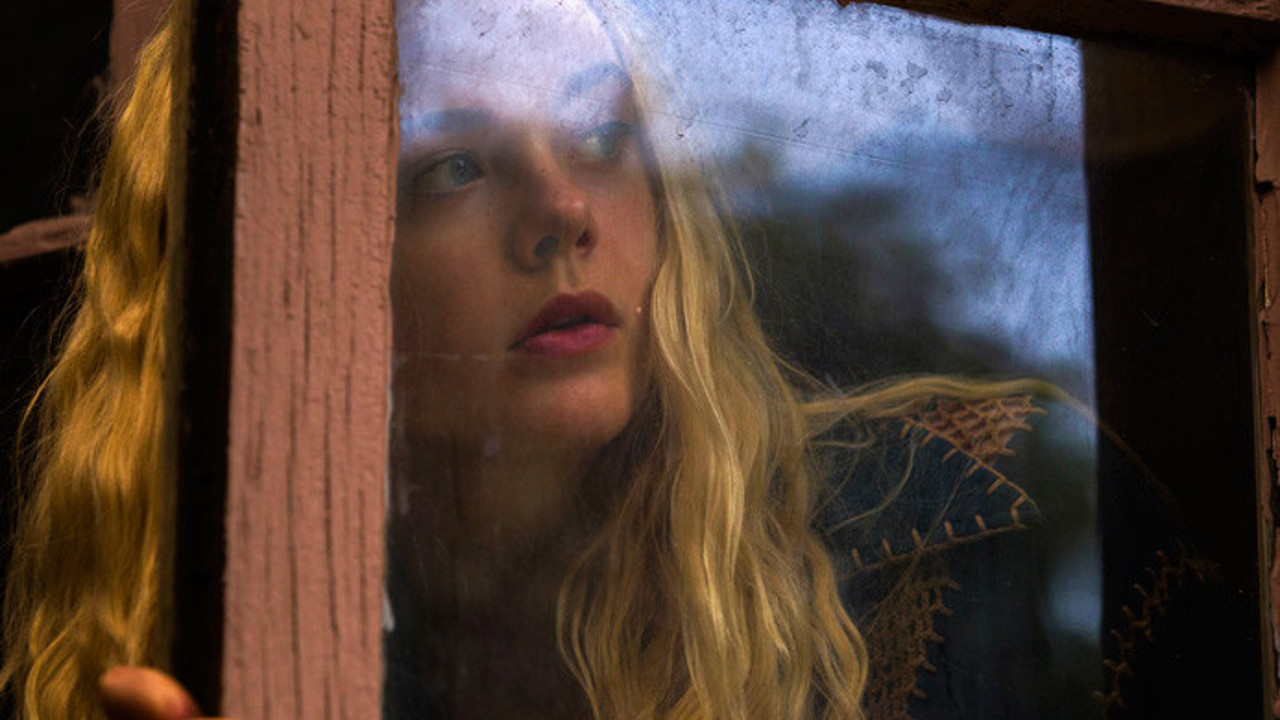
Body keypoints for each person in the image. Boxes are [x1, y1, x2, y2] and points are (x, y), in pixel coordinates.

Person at [2, 0, 1053, 719]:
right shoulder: (260, 640)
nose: (562, 210)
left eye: (603, 136)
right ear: (294, 261)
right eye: (453, 166)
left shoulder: (961, 519)